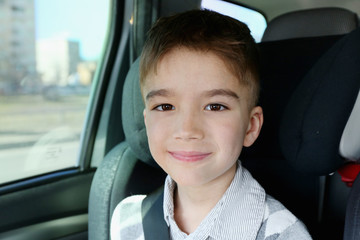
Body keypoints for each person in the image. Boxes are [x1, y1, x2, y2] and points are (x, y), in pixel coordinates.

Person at [111, 9, 312, 240]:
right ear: (147, 123)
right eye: (165, 106)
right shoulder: (129, 219)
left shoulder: (282, 233)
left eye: (215, 106)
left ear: (251, 126)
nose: (187, 130)